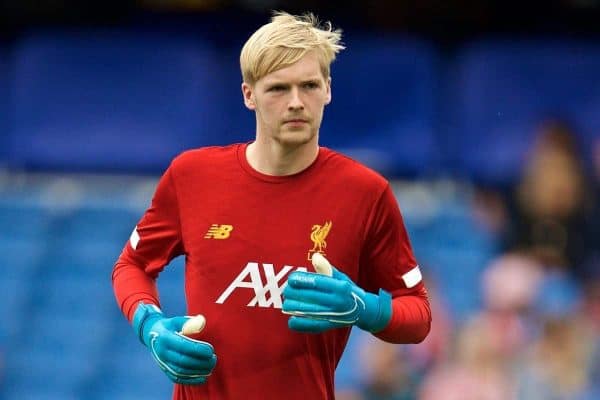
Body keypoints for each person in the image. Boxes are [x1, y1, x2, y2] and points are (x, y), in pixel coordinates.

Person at [111, 11, 431, 400]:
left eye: (309, 85)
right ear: (249, 94)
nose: (296, 102)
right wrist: (151, 326)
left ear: (328, 89)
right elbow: (133, 265)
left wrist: (364, 308)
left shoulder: (365, 193)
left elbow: (418, 315)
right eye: (278, 88)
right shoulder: (192, 176)